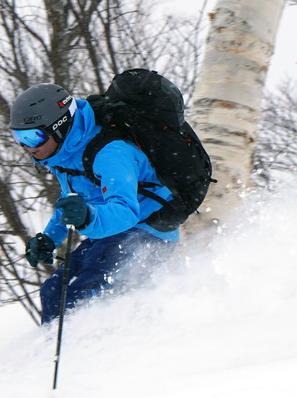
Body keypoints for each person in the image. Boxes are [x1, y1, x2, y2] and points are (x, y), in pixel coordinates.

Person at [10, 82, 178, 325]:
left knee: (83, 295)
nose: (26, 147)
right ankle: (55, 351)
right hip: (111, 233)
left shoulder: (111, 153)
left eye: (32, 136)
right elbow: (73, 202)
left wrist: (87, 217)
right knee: (53, 292)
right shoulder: (63, 154)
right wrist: (50, 238)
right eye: (19, 137)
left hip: (147, 232)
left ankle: (99, 351)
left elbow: (126, 210)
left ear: (59, 127)